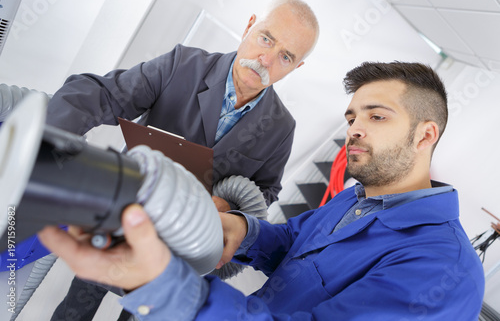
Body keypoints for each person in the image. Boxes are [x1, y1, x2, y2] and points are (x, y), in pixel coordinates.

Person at [39, 61, 485, 320]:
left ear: (426, 135)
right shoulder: (359, 199)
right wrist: (242, 230)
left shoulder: (443, 269)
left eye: (377, 116)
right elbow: (293, 241)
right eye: (352, 118)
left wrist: (164, 285)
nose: (355, 130)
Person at [44, 0, 319, 320]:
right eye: (266, 38)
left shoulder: (281, 128)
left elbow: (266, 191)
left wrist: (228, 209)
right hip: (124, 212)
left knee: (144, 312)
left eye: (285, 56)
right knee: (79, 303)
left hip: (181, 242)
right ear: (249, 26)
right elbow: (106, 94)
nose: (266, 59)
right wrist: (48, 137)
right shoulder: (183, 65)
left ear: (296, 67)